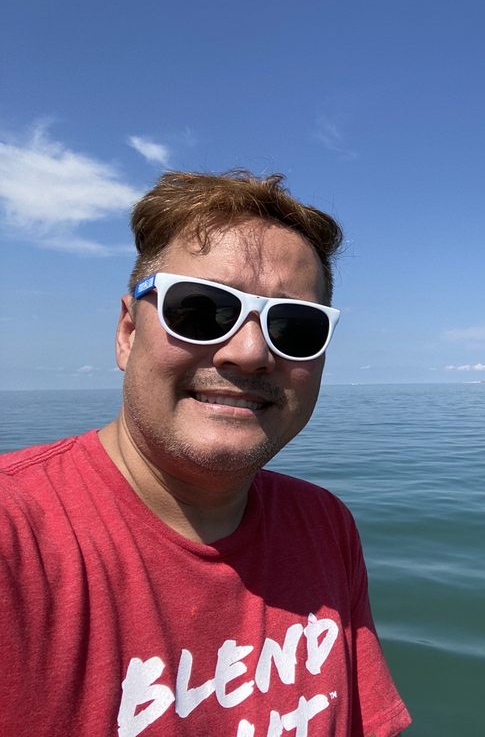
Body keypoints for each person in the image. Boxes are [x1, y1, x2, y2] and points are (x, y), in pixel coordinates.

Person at [0, 171, 412, 736]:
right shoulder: (16, 535)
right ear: (127, 332)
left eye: (293, 327)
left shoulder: (324, 525)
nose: (249, 352)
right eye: (200, 311)